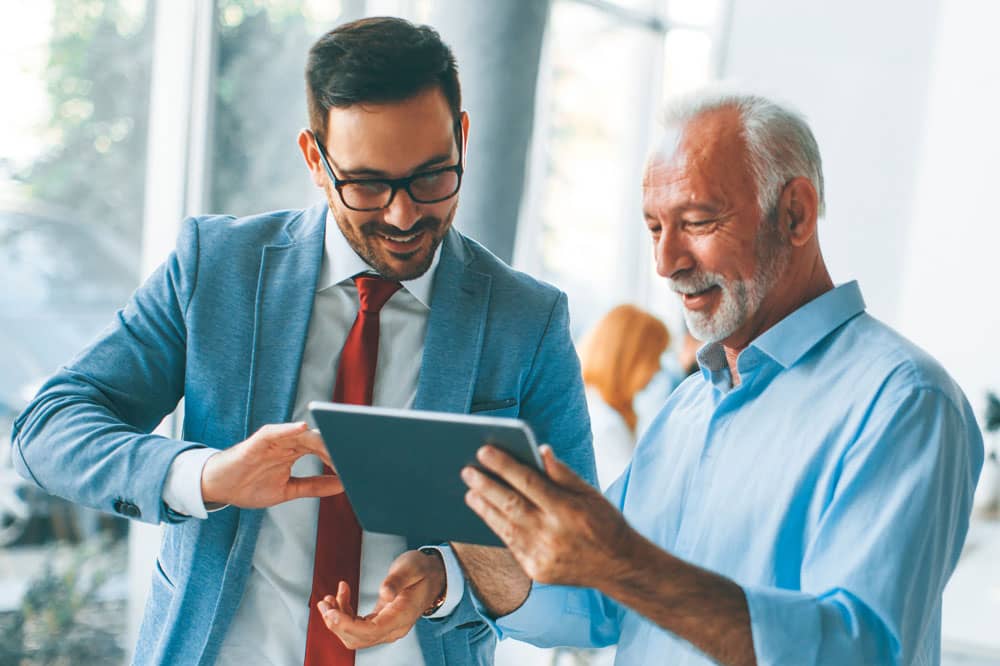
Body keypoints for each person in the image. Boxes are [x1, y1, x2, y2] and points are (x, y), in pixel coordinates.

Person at [9, 17, 595, 666]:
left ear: (462, 137)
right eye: (369, 184)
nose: (404, 216)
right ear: (316, 159)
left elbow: (583, 566)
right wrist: (207, 475)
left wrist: (447, 577)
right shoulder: (218, 267)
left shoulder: (527, 320)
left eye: (431, 177)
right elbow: (48, 428)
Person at [453, 93, 984, 665]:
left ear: (796, 213)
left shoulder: (904, 401)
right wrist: (454, 544)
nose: (666, 261)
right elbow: (596, 606)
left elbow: (854, 653)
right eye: (655, 227)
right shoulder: (688, 407)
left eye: (697, 221)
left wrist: (623, 562)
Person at [577, 304, 669, 488]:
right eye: (654, 359)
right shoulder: (605, 424)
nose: (658, 369)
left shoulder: (592, 404)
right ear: (631, 359)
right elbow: (632, 500)